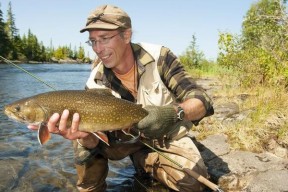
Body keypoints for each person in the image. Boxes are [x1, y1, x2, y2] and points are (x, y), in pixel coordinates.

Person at [28, 4, 214, 192]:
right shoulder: (95, 81)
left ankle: (144, 161)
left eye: (104, 39)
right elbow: (97, 142)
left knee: (193, 185)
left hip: (164, 137)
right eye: (92, 41)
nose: (98, 49)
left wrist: (174, 113)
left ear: (126, 35)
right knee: (81, 143)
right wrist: (84, 137)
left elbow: (201, 100)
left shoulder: (160, 57)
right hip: (120, 141)